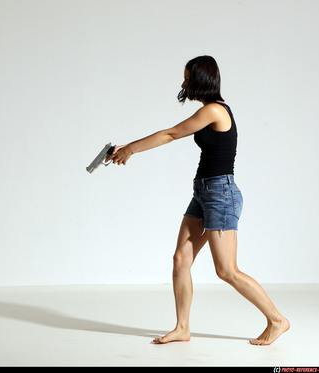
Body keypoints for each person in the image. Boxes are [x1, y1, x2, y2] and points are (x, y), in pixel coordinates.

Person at [106, 55, 289, 345]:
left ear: (201, 80)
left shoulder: (215, 110)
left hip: (221, 194)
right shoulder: (208, 111)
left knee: (226, 270)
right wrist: (125, 149)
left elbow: (171, 134)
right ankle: (182, 328)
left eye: (187, 78)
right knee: (181, 259)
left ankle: (278, 320)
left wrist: (130, 149)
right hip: (204, 192)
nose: (183, 84)